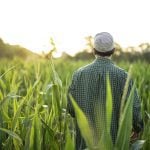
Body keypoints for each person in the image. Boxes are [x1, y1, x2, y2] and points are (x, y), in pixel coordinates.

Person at [67, 32, 143, 150]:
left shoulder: (78, 75)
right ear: (113, 50)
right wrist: (138, 128)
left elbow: (71, 110)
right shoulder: (124, 76)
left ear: (94, 50)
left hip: (84, 144)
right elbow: (135, 108)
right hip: (113, 144)